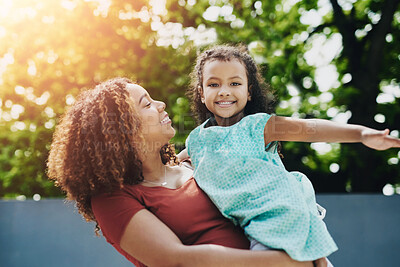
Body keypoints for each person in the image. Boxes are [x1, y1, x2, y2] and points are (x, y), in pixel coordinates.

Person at [47, 77, 319, 267]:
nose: (161, 104)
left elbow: (270, 194)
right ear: (122, 130)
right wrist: (277, 263)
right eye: (147, 103)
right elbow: (174, 259)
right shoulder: (111, 199)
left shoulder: (196, 162)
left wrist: (309, 245)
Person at [183, 45, 400, 265]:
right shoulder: (196, 140)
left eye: (235, 83)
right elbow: (172, 163)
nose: (224, 91)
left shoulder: (258, 126)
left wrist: (361, 134)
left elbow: (310, 128)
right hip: (250, 226)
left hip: (279, 217)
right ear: (201, 93)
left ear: (249, 92)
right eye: (213, 84)